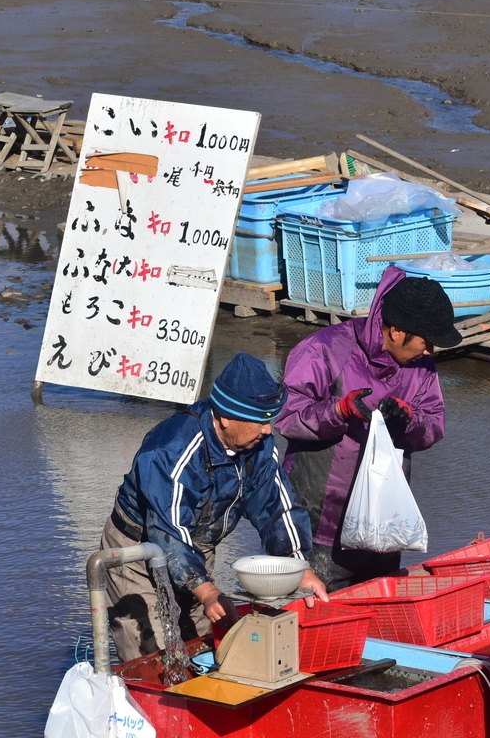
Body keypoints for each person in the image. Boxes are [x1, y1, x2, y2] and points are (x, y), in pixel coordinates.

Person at [102, 352, 329, 662]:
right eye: (259, 421)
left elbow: (278, 506)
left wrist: (298, 566)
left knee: (204, 649)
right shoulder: (173, 449)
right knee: (153, 656)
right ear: (225, 417)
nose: (267, 431)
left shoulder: (257, 445)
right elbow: (168, 530)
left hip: (198, 545)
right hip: (138, 552)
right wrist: (206, 590)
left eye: (269, 421)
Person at [276, 266, 462, 591]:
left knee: (378, 609)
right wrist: (338, 410)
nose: (431, 350)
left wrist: (410, 420)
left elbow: (434, 423)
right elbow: (286, 417)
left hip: (384, 519)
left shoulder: (421, 367)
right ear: (397, 331)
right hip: (322, 522)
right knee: (319, 616)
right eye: (427, 341)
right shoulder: (324, 350)